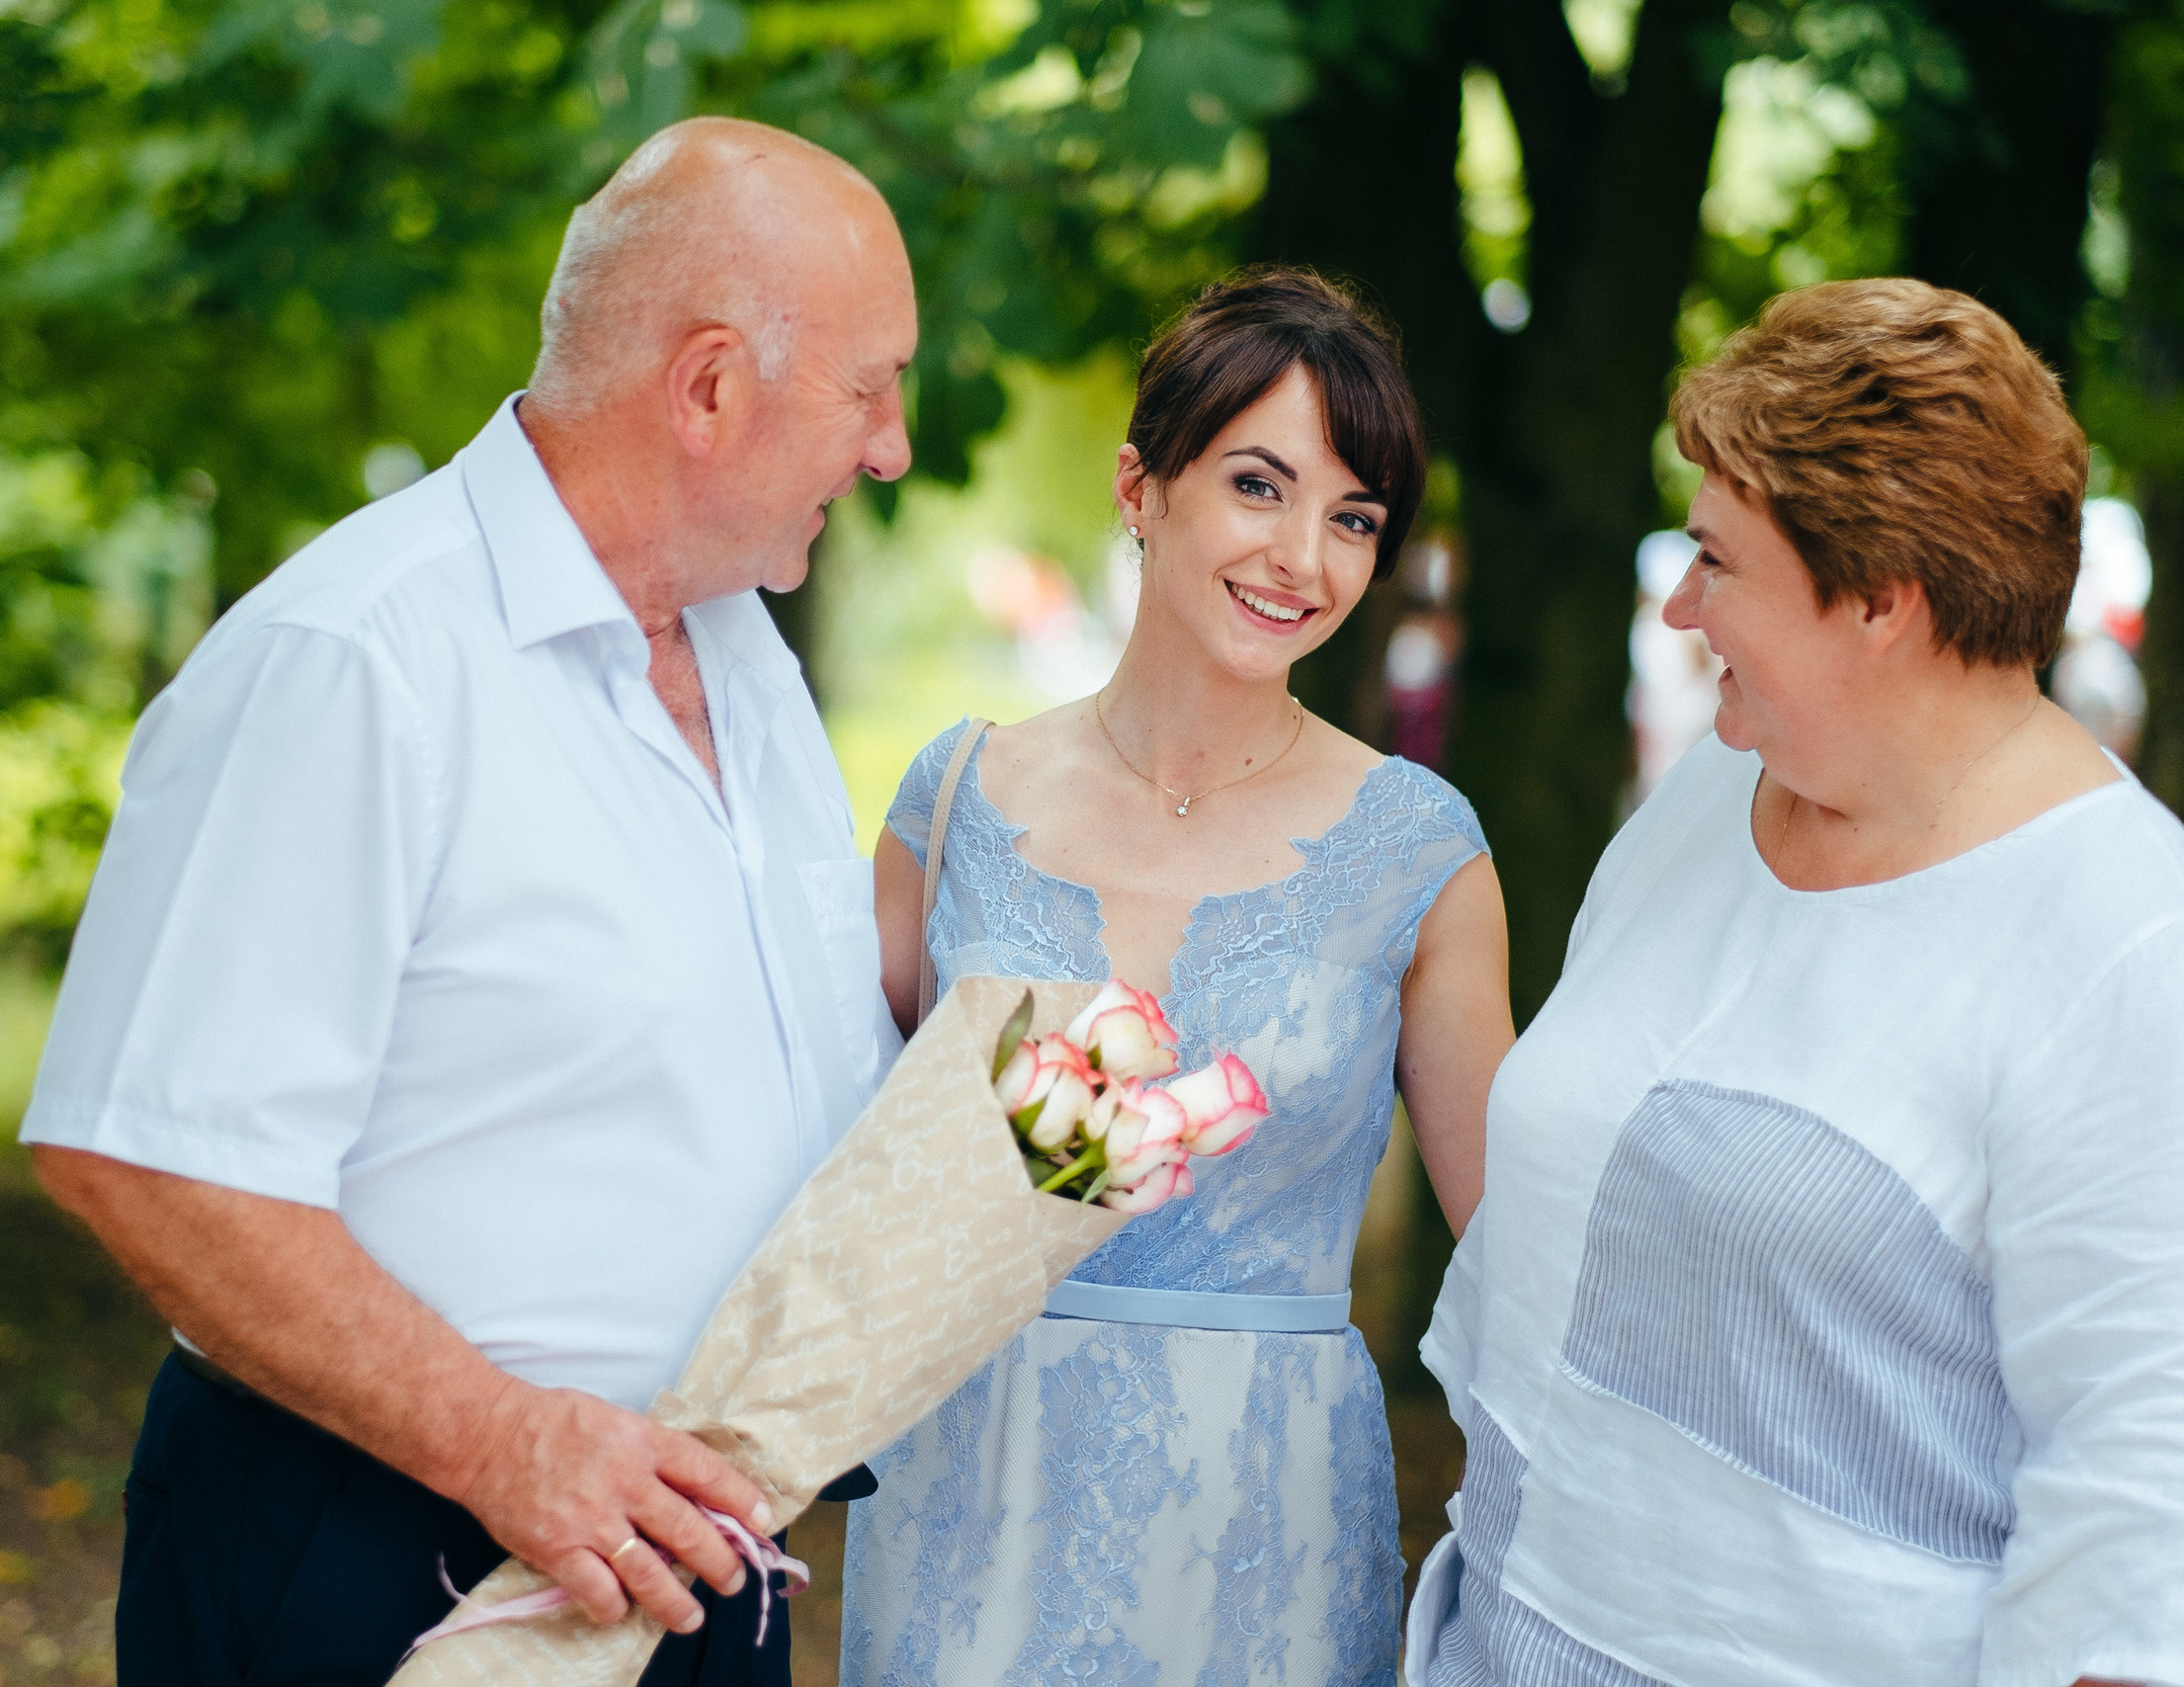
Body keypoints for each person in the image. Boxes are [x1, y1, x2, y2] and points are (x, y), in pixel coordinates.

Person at [19, 117, 916, 1686]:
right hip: (383, 1550)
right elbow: (143, 1154)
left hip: (688, 1557)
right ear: (710, 387)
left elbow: (766, 1064)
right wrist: (505, 1442)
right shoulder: (355, 659)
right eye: (870, 386)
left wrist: (1055, 1124)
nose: (892, 444)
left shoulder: (747, 659)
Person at [1406, 279, 2184, 1686]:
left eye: (1720, 561)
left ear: (1881, 598)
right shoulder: (1714, 793)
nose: (1679, 601)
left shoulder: (2128, 941)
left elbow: (2137, 1526)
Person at [841, 269, 1515, 1685]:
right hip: (970, 1500)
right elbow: (850, 1160)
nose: (1305, 559)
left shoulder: (1419, 852)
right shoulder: (955, 798)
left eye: (1354, 518)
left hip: (1260, 1531)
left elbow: (1520, 1256)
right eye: (1259, 486)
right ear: (1139, 488)